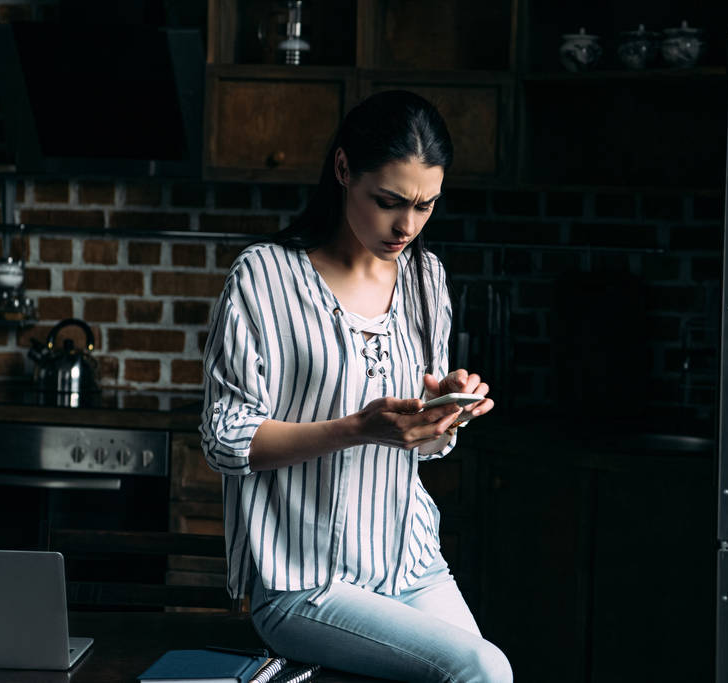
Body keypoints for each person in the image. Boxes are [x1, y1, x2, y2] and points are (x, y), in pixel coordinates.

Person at [200, 90, 512, 683]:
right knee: (479, 667)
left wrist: (445, 409)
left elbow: (423, 446)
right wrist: (357, 429)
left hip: (409, 561)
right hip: (303, 580)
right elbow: (226, 440)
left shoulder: (427, 278)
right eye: (389, 201)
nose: (407, 226)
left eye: (425, 206)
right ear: (343, 170)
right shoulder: (264, 276)